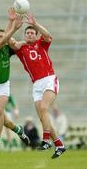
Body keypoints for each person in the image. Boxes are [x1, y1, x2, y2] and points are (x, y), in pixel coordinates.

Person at [9, 11, 66, 158]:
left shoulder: (41, 43)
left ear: (35, 35)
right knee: (42, 117)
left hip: (49, 79)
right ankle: (59, 145)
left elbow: (47, 35)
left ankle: (46, 140)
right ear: (25, 35)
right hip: (36, 84)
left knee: (44, 108)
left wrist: (35, 24)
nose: (29, 35)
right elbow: (10, 42)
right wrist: (14, 27)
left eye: (31, 33)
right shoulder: (21, 48)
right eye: (27, 33)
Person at [0, 9, 30, 154]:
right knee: (6, 121)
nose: (1, 38)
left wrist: (21, 39)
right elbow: (5, 39)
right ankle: (19, 130)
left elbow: (13, 43)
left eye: (2, 35)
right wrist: (12, 26)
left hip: (3, 86)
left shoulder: (6, 49)